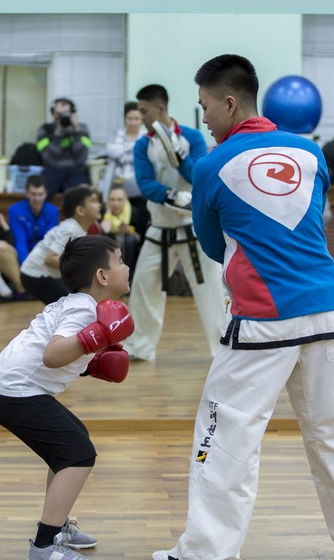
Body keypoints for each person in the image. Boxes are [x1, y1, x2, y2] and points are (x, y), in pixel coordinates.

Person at [151, 53, 334, 560]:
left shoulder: (211, 165)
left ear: (229, 102)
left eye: (206, 107)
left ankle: (208, 551)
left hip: (264, 318)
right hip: (327, 310)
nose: (205, 120)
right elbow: (308, 222)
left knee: (224, 434)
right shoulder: (311, 154)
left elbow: (214, 247)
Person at [0, 235, 134, 560]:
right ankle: (45, 545)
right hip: (14, 392)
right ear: (102, 276)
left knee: (68, 444)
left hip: (7, 387)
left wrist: (91, 365)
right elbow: (52, 355)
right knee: (79, 454)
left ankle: (57, 524)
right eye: (120, 260)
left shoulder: (78, 304)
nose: (126, 266)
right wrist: (94, 339)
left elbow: (54, 353)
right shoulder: (83, 310)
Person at [123, 84, 226, 361]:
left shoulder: (191, 137)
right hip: (160, 228)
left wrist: (176, 153)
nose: (140, 116)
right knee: (144, 286)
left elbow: (198, 175)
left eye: (144, 111)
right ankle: (140, 347)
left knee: (212, 290)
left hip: (194, 230)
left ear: (160, 108)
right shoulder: (143, 144)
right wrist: (174, 196)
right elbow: (145, 184)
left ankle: (223, 348)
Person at [20, 185, 102, 305]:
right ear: (80, 210)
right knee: (69, 305)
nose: (99, 205)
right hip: (35, 275)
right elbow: (50, 259)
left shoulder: (78, 228)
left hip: (44, 274)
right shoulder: (71, 229)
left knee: (71, 303)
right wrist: (79, 265)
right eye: (94, 201)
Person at [100, 101, 150, 239]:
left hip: (139, 189)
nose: (133, 122)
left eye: (136, 119)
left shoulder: (146, 136)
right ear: (124, 119)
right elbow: (111, 151)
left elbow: (147, 153)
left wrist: (124, 149)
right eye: (130, 118)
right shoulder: (118, 134)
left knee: (140, 222)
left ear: (142, 120)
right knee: (118, 226)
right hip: (118, 189)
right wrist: (135, 149)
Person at [36, 98, 91, 197]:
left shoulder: (82, 129)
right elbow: (49, 159)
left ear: (72, 114)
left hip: (76, 171)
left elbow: (81, 159)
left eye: (66, 113)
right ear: (53, 113)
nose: (62, 117)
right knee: (39, 194)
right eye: (59, 114)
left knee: (80, 196)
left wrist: (77, 131)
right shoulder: (44, 130)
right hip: (52, 171)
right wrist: (57, 134)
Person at [7, 174, 59, 264]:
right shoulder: (15, 210)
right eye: (33, 194)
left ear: (46, 193)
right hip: (20, 253)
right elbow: (20, 241)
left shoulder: (53, 211)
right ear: (26, 193)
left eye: (40, 194)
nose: (37, 198)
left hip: (43, 255)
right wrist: (27, 267)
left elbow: (48, 241)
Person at [100, 181, 141, 279]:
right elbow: (105, 229)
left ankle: (128, 277)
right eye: (112, 200)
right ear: (108, 200)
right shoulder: (103, 212)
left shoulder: (134, 212)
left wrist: (130, 231)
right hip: (110, 244)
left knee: (129, 240)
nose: (116, 203)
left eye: (119, 199)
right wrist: (108, 213)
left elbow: (139, 238)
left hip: (128, 246)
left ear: (126, 199)